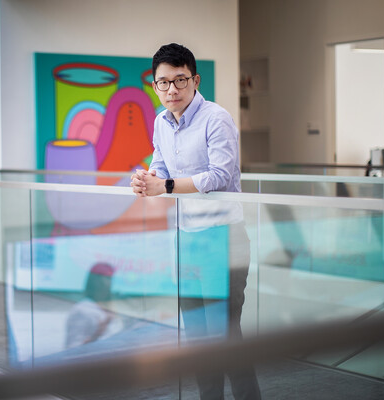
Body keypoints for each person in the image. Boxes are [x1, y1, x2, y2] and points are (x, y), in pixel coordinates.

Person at [131, 43, 261, 400]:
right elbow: (161, 164)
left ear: (194, 80)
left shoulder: (216, 117)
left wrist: (167, 185)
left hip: (223, 237)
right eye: (163, 83)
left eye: (180, 80)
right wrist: (147, 177)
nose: (171, 90)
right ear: (154, 85)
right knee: (198, 338)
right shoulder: (161, 122)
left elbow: (220, 175)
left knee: (224, 337)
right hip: (187, 237)